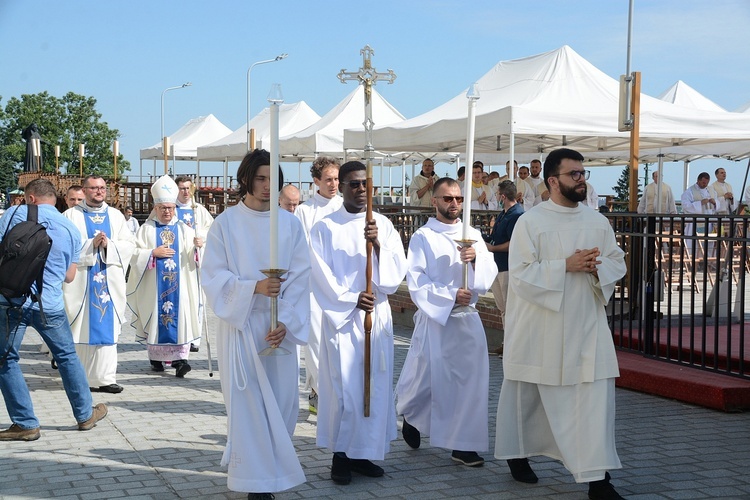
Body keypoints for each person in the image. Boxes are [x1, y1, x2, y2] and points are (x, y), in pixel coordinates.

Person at [494, 148, 627, 500]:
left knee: (593, 402)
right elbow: (520, 275)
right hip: (542, 326)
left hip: (586, 325)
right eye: (574, 174)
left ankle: (599, 482)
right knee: (529, 398)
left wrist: (599, 268)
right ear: (553, 181)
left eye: (583, 174)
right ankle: (517, 454)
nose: (581, 180)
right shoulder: (531, 222)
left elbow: (617, 261)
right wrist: (564, 265)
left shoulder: (597, 221)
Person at [201, 149, 310, 499]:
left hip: (279, 329)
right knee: (248, 406)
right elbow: (214, 276)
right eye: (260, 178)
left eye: (272, 180)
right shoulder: (226, 224)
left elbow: (302, 277)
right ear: (246, 179)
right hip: (242, 325)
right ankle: (255, 484)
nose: (267, 186)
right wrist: (254, 288)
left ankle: (273, 471)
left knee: (281, 404)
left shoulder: (290, 224)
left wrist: (288, 321)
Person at [309, 161, 408, 485]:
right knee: (344, 391)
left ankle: (363, 453)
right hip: (345, 320)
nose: (360, 189)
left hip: (375, 316)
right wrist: (351, 297)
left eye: (365, 184)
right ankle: (340, 455)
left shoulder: (383, 225)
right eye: (353, 184)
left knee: (374, 387)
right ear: (344, 187)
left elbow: (395, 274)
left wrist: (377, 244)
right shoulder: (325, 227)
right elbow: (319, 275)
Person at [396, 177, 497, 467]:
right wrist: (452, 294)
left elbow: (488, 273)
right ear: (434, 201)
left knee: (469, 383)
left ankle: (462, 446)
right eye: (448, 198)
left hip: (468, 321)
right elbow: (416, 281)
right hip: (437, 320)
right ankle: (411, 415)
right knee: (426, 381)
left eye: (458, 199)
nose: (454, 204)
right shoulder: (423, 237)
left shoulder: (473, 234)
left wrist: (476, 259)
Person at [0, 179, 107, 441]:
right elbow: (70, 276)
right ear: (54, 199)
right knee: (67, 356)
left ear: (30, 197)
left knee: (6, 359)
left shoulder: (12, 214)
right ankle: (84, 416)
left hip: (11, 301)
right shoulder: (69, 227)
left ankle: (25, 423)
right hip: (49, 304)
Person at [63, 175, 136, 394]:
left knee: (108, 327)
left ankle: (105, 378)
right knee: (81, 327)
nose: (99, 191)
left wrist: (108, 246)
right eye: (94, 188)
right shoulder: (70, 216)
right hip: (81, 283)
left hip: (109, 283)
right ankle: (80, 377)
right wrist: (90, 245)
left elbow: (129, 245)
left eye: (102, 188)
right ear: (84, 191)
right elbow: (64, 246)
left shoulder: (115, 216)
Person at [127, 176, 202, 378]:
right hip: (154, 286)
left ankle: (180, 360)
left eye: (170, 208)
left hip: (181, 288)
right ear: (156, 208)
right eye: (163, 208)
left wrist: (197, 248)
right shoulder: (146, 230)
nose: (167, 211)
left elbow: (194, 259)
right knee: (156, 319)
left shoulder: (185, 230)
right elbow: (133, 253)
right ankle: (156, 359)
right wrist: (152, 253)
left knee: (181, 319)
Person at [295, 156, 342, 415]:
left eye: (336, 179)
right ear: (316, 182)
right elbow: (302, 250)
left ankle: (329, 394)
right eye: (328, 179)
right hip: (314, 289)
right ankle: (323, 394)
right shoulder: (305, 211)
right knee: (315, 344)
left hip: (341, 289)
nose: (334, 184)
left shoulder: (346, 207)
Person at [174, 176, 213, 352]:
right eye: (181, 188)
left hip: (195, 261)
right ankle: (180, 335)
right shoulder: (169, 208)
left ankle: (195, 338)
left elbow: (211, 230)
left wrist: (202, 239)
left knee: (197, 298)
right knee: (181, 298)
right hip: (177, 261)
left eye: (188, 188)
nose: (185, 192)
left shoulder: (198, 210)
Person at [485, 180, 524, 350]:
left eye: (496, 194)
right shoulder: (503, 213)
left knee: (510, 308)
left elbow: (514, 243)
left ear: (502, 196)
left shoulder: (516, 215)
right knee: (502, 308)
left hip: (508, 266)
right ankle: (506, 341)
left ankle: (512, 345)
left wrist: (493, 247)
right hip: (497, 265)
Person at [681, 172, 717, 236]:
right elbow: (685, 205)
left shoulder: (711, 190)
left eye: (707, 183)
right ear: (698, 180)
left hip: (709, 222)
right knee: (695, 243)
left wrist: (715, 203)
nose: (705, 185)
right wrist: (700, 203)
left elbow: (717, 203)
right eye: (703, 183)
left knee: (708, 242)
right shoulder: (689, 191)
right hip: (695, 222)